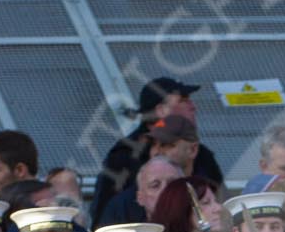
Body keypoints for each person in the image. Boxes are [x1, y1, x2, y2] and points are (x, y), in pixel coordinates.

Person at [93, 76, 225, 220]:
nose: (193, 106)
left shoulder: (202, 155)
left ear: (192, 150)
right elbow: (103, 217)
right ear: (161, 110)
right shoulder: (123, 158)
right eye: (183, 100)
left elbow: (224, 207)